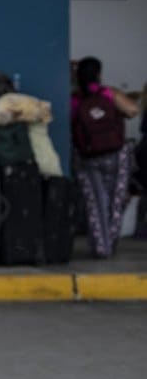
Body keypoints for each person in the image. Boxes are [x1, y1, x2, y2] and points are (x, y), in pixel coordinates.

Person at [71, 57, 140, 257]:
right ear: (99, 74)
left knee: (95, 202)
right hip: (116, 154)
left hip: (87, 157)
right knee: (115, 201)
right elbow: (133, 110)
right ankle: (110, 242)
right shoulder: (109, 93)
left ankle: (101, 247)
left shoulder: (75, 99)